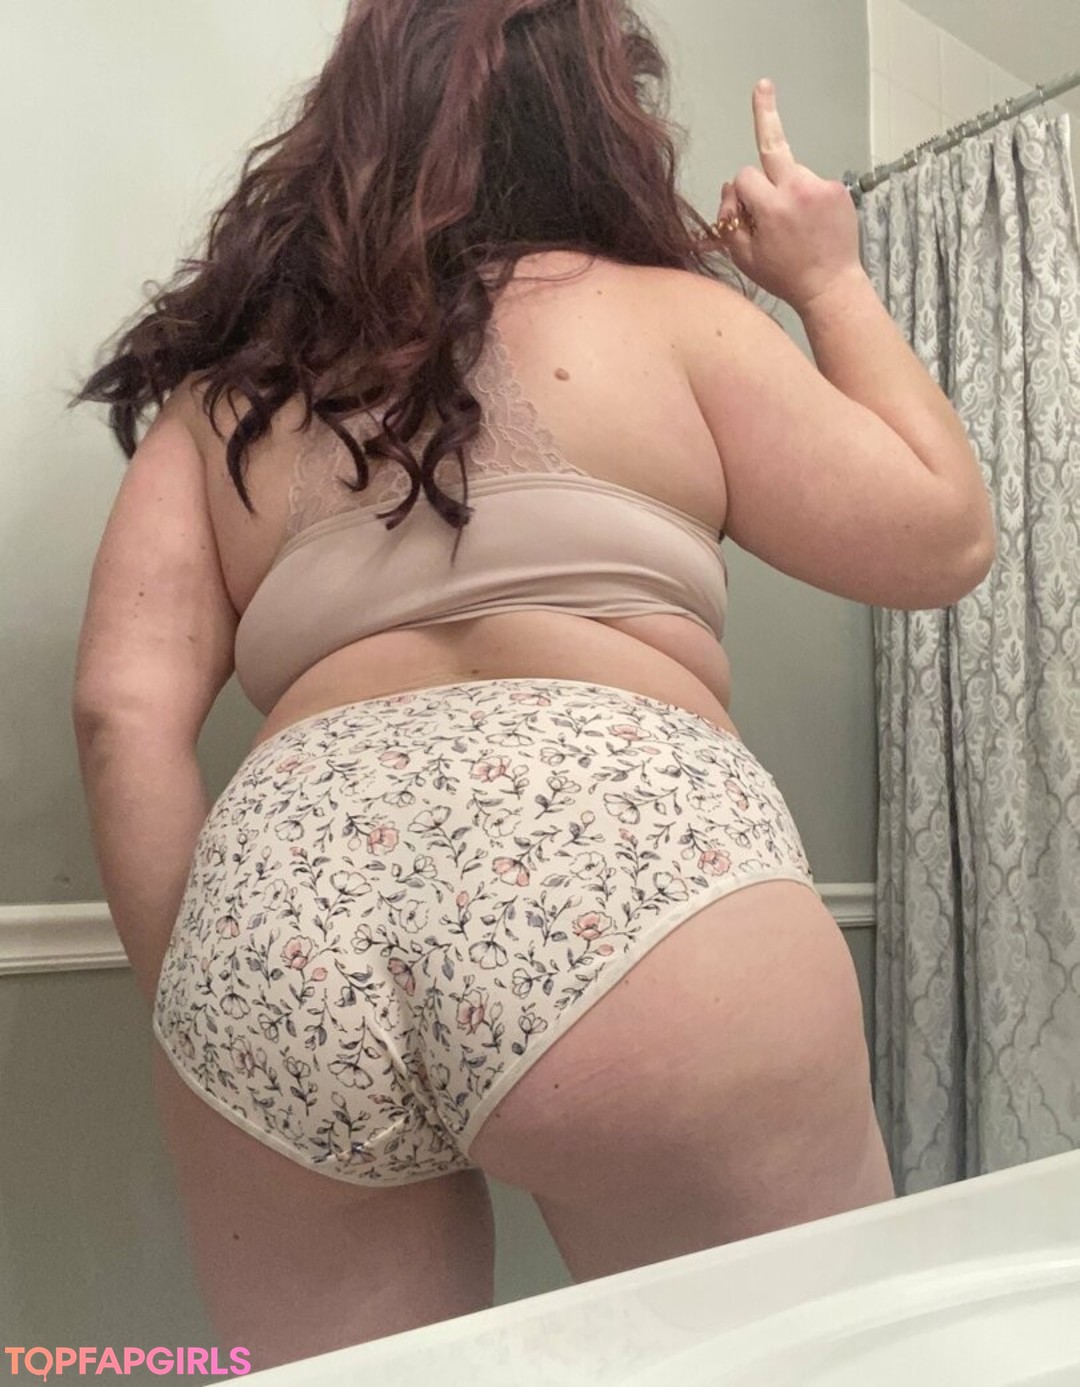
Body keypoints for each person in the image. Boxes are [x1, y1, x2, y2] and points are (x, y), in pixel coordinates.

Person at [71, 0, 996, 1374]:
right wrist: (829, 280)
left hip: (282, 897)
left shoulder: (225, 404)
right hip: (624, 857)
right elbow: (941, 539)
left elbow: (120, 718)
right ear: (597, 121)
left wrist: (218, 1000)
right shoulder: (676, 319)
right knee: (806, 1364)